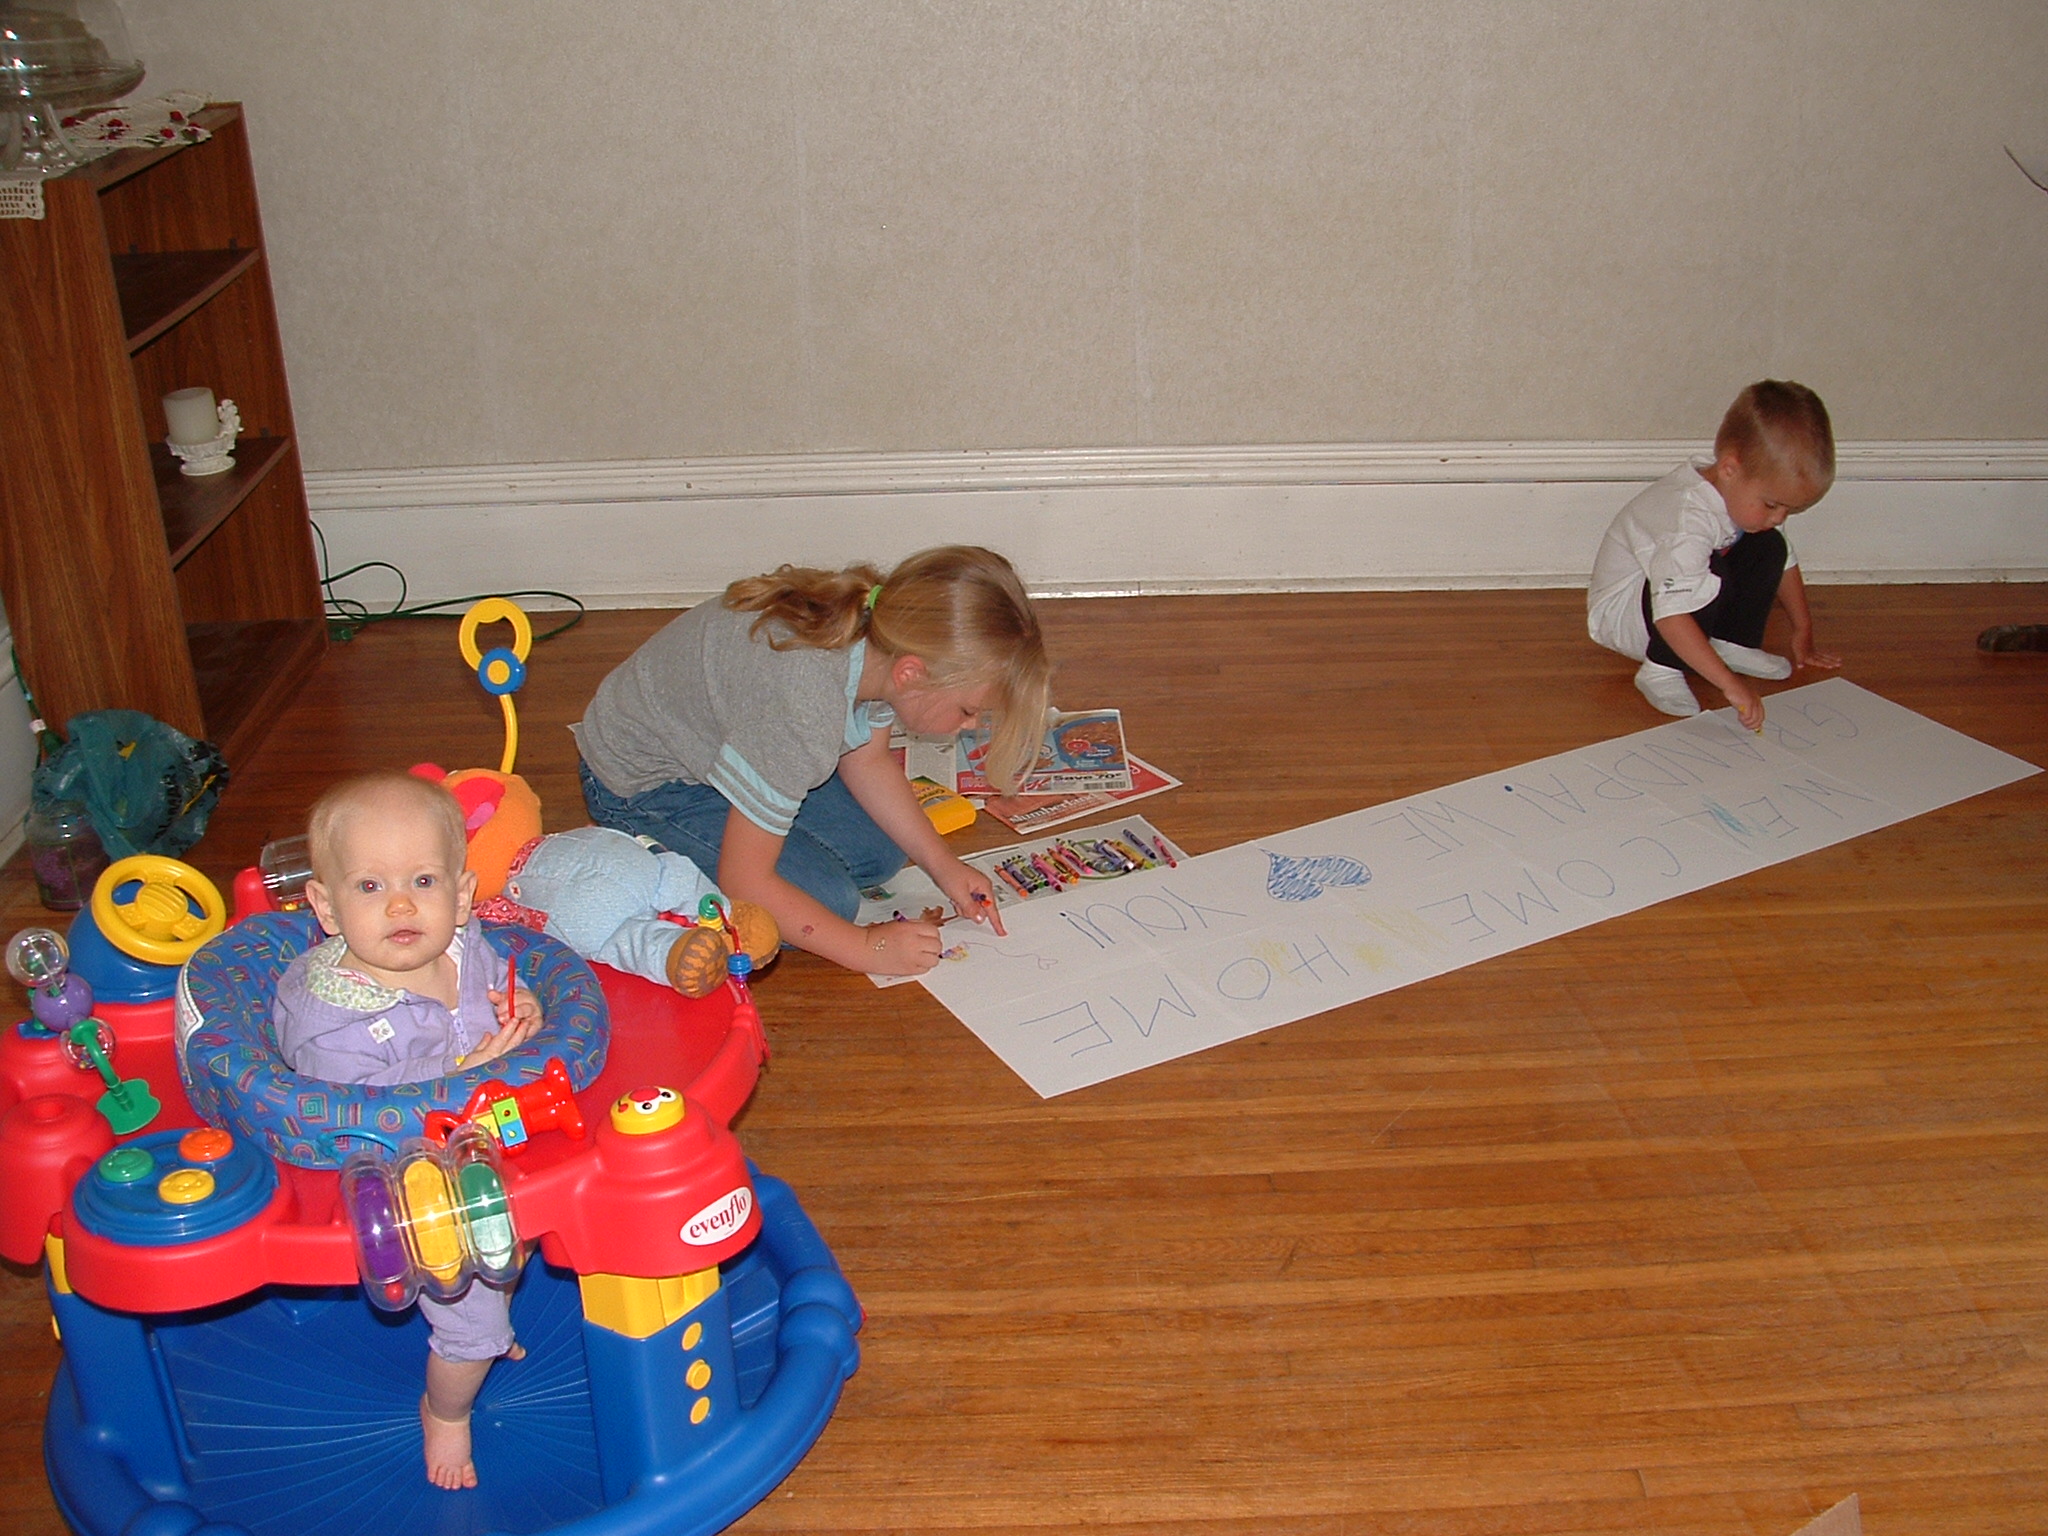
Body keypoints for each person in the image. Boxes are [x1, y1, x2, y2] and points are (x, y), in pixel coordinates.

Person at [574, 545, 1053, 975]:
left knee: (880, 853)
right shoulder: (802, 709)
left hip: (721, 745)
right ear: (913, 674)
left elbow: (869, 763)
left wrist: (945, 867)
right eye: (969, 711)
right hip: (642, 787)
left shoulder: (882, 642)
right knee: (831, 902)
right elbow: (745, 881)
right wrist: (867, 948)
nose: (969, 726)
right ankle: (642, 858)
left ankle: (749, 810)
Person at [273, 770, 543, 1491]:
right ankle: (447, 1406)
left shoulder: (465, 946)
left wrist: (523, 1018)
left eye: (423, 881)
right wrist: (465, 1070)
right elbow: (358, 1109)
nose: (399, 903)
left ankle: (488, 1337)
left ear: (460, 896)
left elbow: (504, 991)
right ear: (326, 909)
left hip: (495, 1140)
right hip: (406, 1179)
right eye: (369, 887)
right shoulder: (330, 1013)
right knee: (473, 1313)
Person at [1587, 380, 1843, 729]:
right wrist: (1729, 685)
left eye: (1788, 509)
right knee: (1710, 570)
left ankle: (1730, 642)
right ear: (1729, 469)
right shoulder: (1686, 520)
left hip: (1678, 599)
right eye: (1772, 504)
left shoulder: (1746, 498)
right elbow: (1671, 614)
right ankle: (1661, 669)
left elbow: (1783, 562)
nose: (1779, 516)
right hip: (1628, 615)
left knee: (1768, 545)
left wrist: (1804, 629)